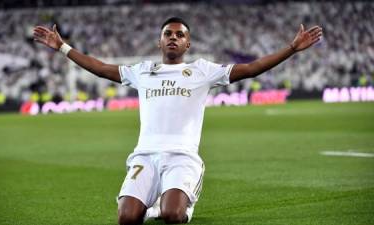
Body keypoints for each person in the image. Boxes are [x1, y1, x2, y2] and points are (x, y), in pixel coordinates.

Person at [33, 17, 322, 225]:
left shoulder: (202, 71)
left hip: (182, 157)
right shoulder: (142, 71)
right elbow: (101, 69)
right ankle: (154, 201)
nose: (173, 37)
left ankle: (178, 205)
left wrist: (291, 49)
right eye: (168, 33)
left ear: (188, 43)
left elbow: (250, 69)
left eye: (179, 34)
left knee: (173, 216)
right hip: (144, 156)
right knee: (126, 218)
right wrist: (63, 47)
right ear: (159, 41)